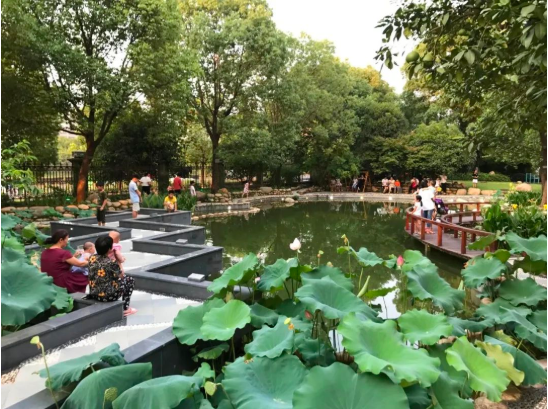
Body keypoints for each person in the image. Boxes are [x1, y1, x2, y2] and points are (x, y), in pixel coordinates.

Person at [88, 235, 136, 316]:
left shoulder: (92, 258)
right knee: (130, 280)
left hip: (94, 294)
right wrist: (117, 258)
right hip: (107, 297)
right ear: (109, 249)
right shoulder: (111, 262)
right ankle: (125, 309)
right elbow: (121, 275)